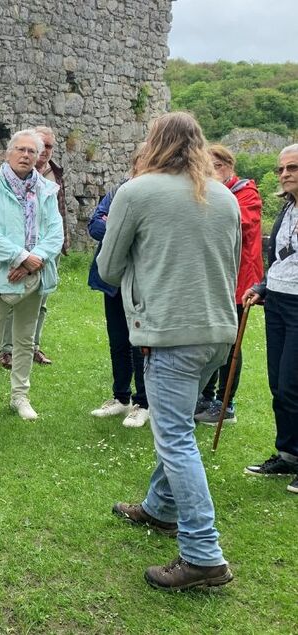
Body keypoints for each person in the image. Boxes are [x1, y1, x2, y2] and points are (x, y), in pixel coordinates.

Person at [99, 112, 240, 590]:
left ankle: (203, 553)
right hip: (219, 332)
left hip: (170, 333)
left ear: (155, 143)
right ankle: (160, 509)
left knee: (175, 437)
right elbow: (233, 262)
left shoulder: (136, 191)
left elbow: (109, 266)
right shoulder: (224, 196)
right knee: (177, 426)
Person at [0, 129, 63, 423]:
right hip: (0, 277)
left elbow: (54, 233)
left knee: (25, 340)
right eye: (21, 150)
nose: (26, 155)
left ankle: (20, 397)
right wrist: (21, 257)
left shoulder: (46, 190)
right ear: (8, 153)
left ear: (38, 158)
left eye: (32, 152)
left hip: (32, 277)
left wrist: (30, 262)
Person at [193, 144, 264, 424]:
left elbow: (240, 223)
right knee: (208, 339)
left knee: (231, 343)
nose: (212, 173)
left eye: (217, 166)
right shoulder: (208, 193)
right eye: (207, 168)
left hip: (240, 282)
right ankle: (206, 397)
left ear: (229, 166)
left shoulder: (246, 193)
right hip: (214, 278)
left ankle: (226, 404)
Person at [242, 143, 298, 494]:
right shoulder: (288, 209)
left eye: (291, 168)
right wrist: (263, 286)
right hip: (277, 300)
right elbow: (279, 255)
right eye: (280, 169)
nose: (284, 174)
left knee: (294, 382)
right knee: (279, 383)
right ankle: (289, 453)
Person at [87, 145, 150, 429]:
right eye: (140, 161)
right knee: (117, 340)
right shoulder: (118, 191)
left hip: (141, 280)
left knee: (140, 341)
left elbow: (146, 237)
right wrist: (120, 229)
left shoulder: (155, 196)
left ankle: (143, 402)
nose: (143, 166)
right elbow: (94, 225)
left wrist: (116, 226)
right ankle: (121, 397)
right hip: (113, 279)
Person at [0, 125, 66, 368]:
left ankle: (33, 346)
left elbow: (57, 214)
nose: (46, 151)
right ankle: (6, 350)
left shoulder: (54, 173)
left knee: (42, 299)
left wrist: (52, 249)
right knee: (12, 298)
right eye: (43, 146)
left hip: (47, 249)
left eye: (49, 147)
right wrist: (24, 259)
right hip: (21, 250)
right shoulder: (14, 177)